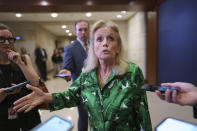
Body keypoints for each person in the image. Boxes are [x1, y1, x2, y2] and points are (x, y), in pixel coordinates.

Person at [13, 20, 152, 131]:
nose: (105, 43)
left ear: (119, 46)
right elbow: (72, 96)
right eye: (99, 39)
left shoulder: (132, 72)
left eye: (111, 39)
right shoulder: (87, 73)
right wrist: (46, 97)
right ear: (93, 47)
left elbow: (142, 114)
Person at [0, 23, 41, 131]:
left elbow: (35, 82)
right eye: (2, 39)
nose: (7, 43)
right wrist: (4, 93)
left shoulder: (23, 58)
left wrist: (19, 63)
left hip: (28, 111)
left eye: (10, 39)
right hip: (4, 117)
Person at [59, 20, 90, 131]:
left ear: (89, 30)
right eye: (80, 30)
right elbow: (67, 67)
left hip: (99, 87)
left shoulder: (95, 44)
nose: (83, 32)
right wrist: (66, 72)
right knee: (83, 117)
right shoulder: (70, 48)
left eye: (85, 29)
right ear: (76, 32)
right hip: (81, 89)